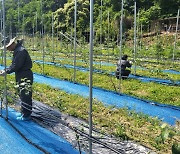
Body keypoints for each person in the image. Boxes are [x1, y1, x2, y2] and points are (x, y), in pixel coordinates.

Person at [0, 37, 33, 120]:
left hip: (25, 75)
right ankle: (23, 112)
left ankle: (26, 115)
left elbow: (16, 66)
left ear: (11, 45)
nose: (7, 49)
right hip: (21, 74)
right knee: (22, 94)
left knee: (25, 94)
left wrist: (6, 71)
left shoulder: (21, 51)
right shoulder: (17, 51)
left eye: (7, 47)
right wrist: (5, 70)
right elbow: (14, 64)